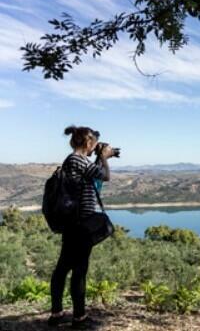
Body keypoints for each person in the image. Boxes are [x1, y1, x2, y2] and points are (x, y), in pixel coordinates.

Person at [47, 125, 114, 329]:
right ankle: (79, 318)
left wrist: (99, 157)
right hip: (80, 224)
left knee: (63, 268)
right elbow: (104, 176)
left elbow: (91, 178)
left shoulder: (75, 161)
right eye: (94, 144)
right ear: (88, 143)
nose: (95, 147)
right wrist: (104, 157)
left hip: (73, 224)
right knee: (78, 270)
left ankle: (57, 314)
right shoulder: (77, 159)